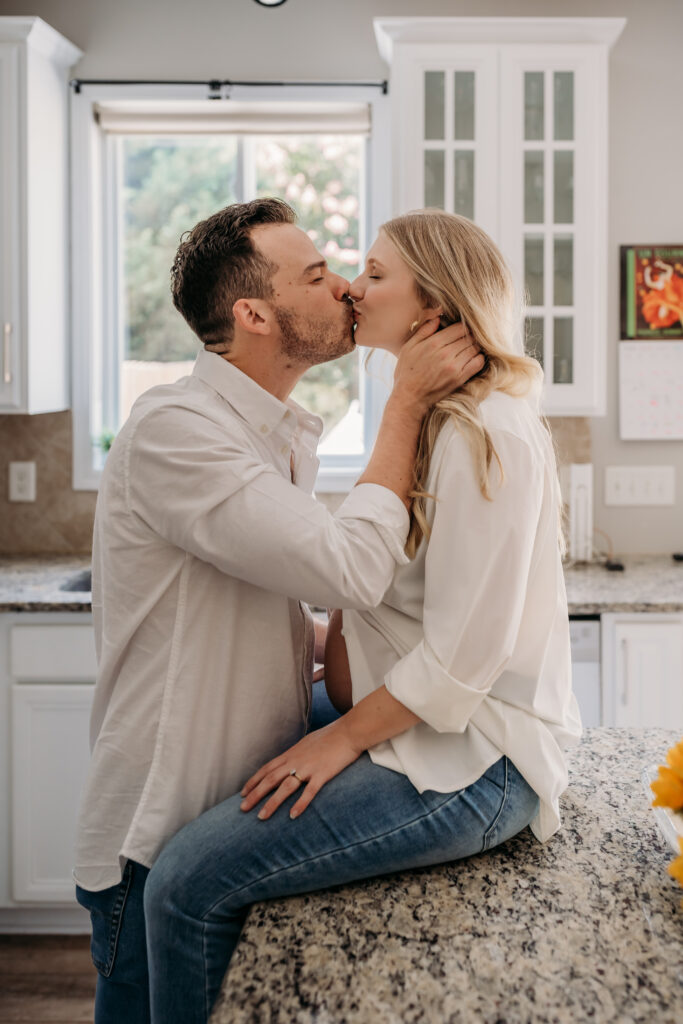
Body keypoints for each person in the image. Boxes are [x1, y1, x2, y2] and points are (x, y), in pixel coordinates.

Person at [143, 209, 583, 1024]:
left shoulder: (486, 431)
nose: (351, 288)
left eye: (374, 274)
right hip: (415, 734)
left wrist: (339, 736)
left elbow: (462, 657)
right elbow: (367, 581)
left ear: (431, 308)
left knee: (183, 882)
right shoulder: (426, 421)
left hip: (472, 763)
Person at [73, 197, 483, 1024]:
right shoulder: (178, 428)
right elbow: (347, 570)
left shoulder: (270, 432)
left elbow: (259, 610)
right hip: (159, 830)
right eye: (317, 274)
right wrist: (404, 404)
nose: (344, 289)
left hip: (236, 804)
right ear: (253, 314)